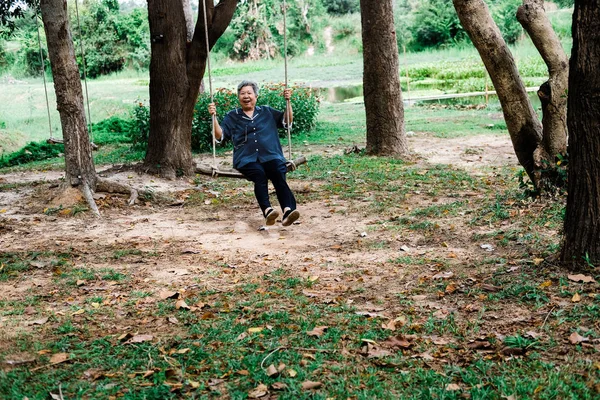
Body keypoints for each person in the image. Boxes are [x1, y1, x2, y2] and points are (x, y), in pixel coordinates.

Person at [207, 80, 300, 227]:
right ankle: (268, 211)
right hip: (246, 159)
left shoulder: (267, 112)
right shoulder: (232, 116)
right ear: (238, 97)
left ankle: (288, 211)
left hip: (271, 155)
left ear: (256, 96)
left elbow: (286, 122)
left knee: (278, 172)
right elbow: (219, 136)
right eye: (242, 93)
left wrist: (288, 102)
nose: (246, 96)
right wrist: (214, 117)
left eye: (249, 93)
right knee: (259, 175)